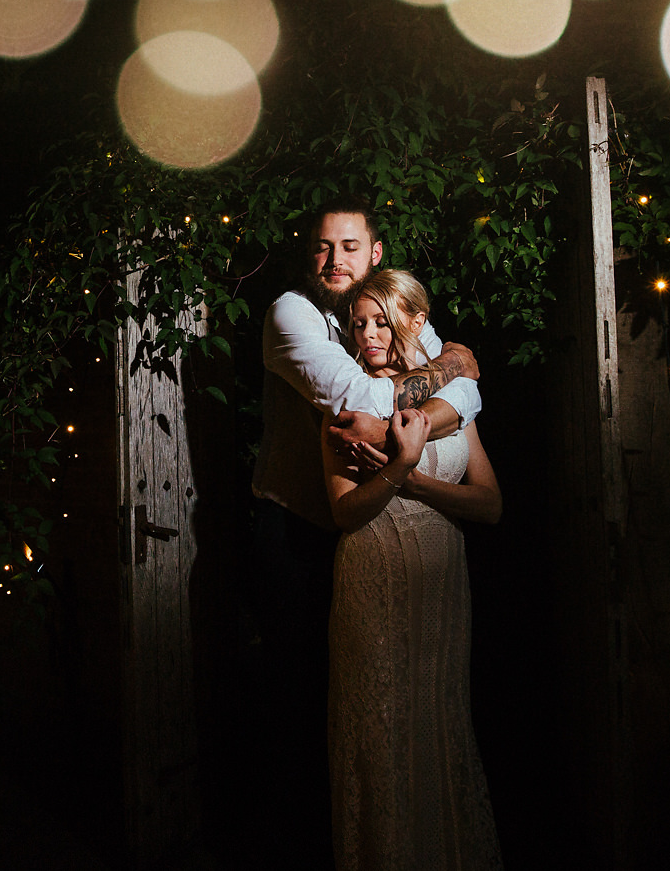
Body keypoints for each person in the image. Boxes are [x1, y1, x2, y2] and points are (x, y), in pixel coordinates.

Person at [249, 200, 480, 864]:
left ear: (374, 254)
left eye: (350, 246)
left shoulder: (394, 312)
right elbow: (367, 403)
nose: (334, 260)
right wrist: (446, 374)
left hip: (369, 535)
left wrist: (438, 393)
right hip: (295, 527)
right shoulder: (290, 314)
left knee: (381, 708)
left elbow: (470, 400)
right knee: (298, 708)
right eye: (323, 247)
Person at [324, 269, 503, 871]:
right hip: (372, 573)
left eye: (381, 321)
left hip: (442, 582)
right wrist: (397, 469)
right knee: (379, 729)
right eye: (359, 325)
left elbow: (491, 503)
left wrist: (417, 478)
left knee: (439, 719)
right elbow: (344, 511)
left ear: (417, 322)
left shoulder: (447, 402)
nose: (368, 335)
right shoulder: (346, 398)